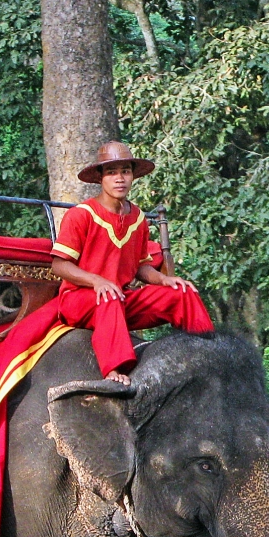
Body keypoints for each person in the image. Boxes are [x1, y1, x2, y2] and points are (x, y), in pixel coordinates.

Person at [50, 141, 214, 385]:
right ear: (100, 178)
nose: (119, 178)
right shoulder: (81, 214)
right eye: (112, 172)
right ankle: (115, 369)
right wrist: (97, 281)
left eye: (125, 171)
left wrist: (164, 279)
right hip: (80, 300)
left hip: (120, 301)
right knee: (110, 296)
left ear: (133, 176)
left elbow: (140, 266)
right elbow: (59, 265)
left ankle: (211, 354)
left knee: (182, 292)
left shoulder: (137, 217)